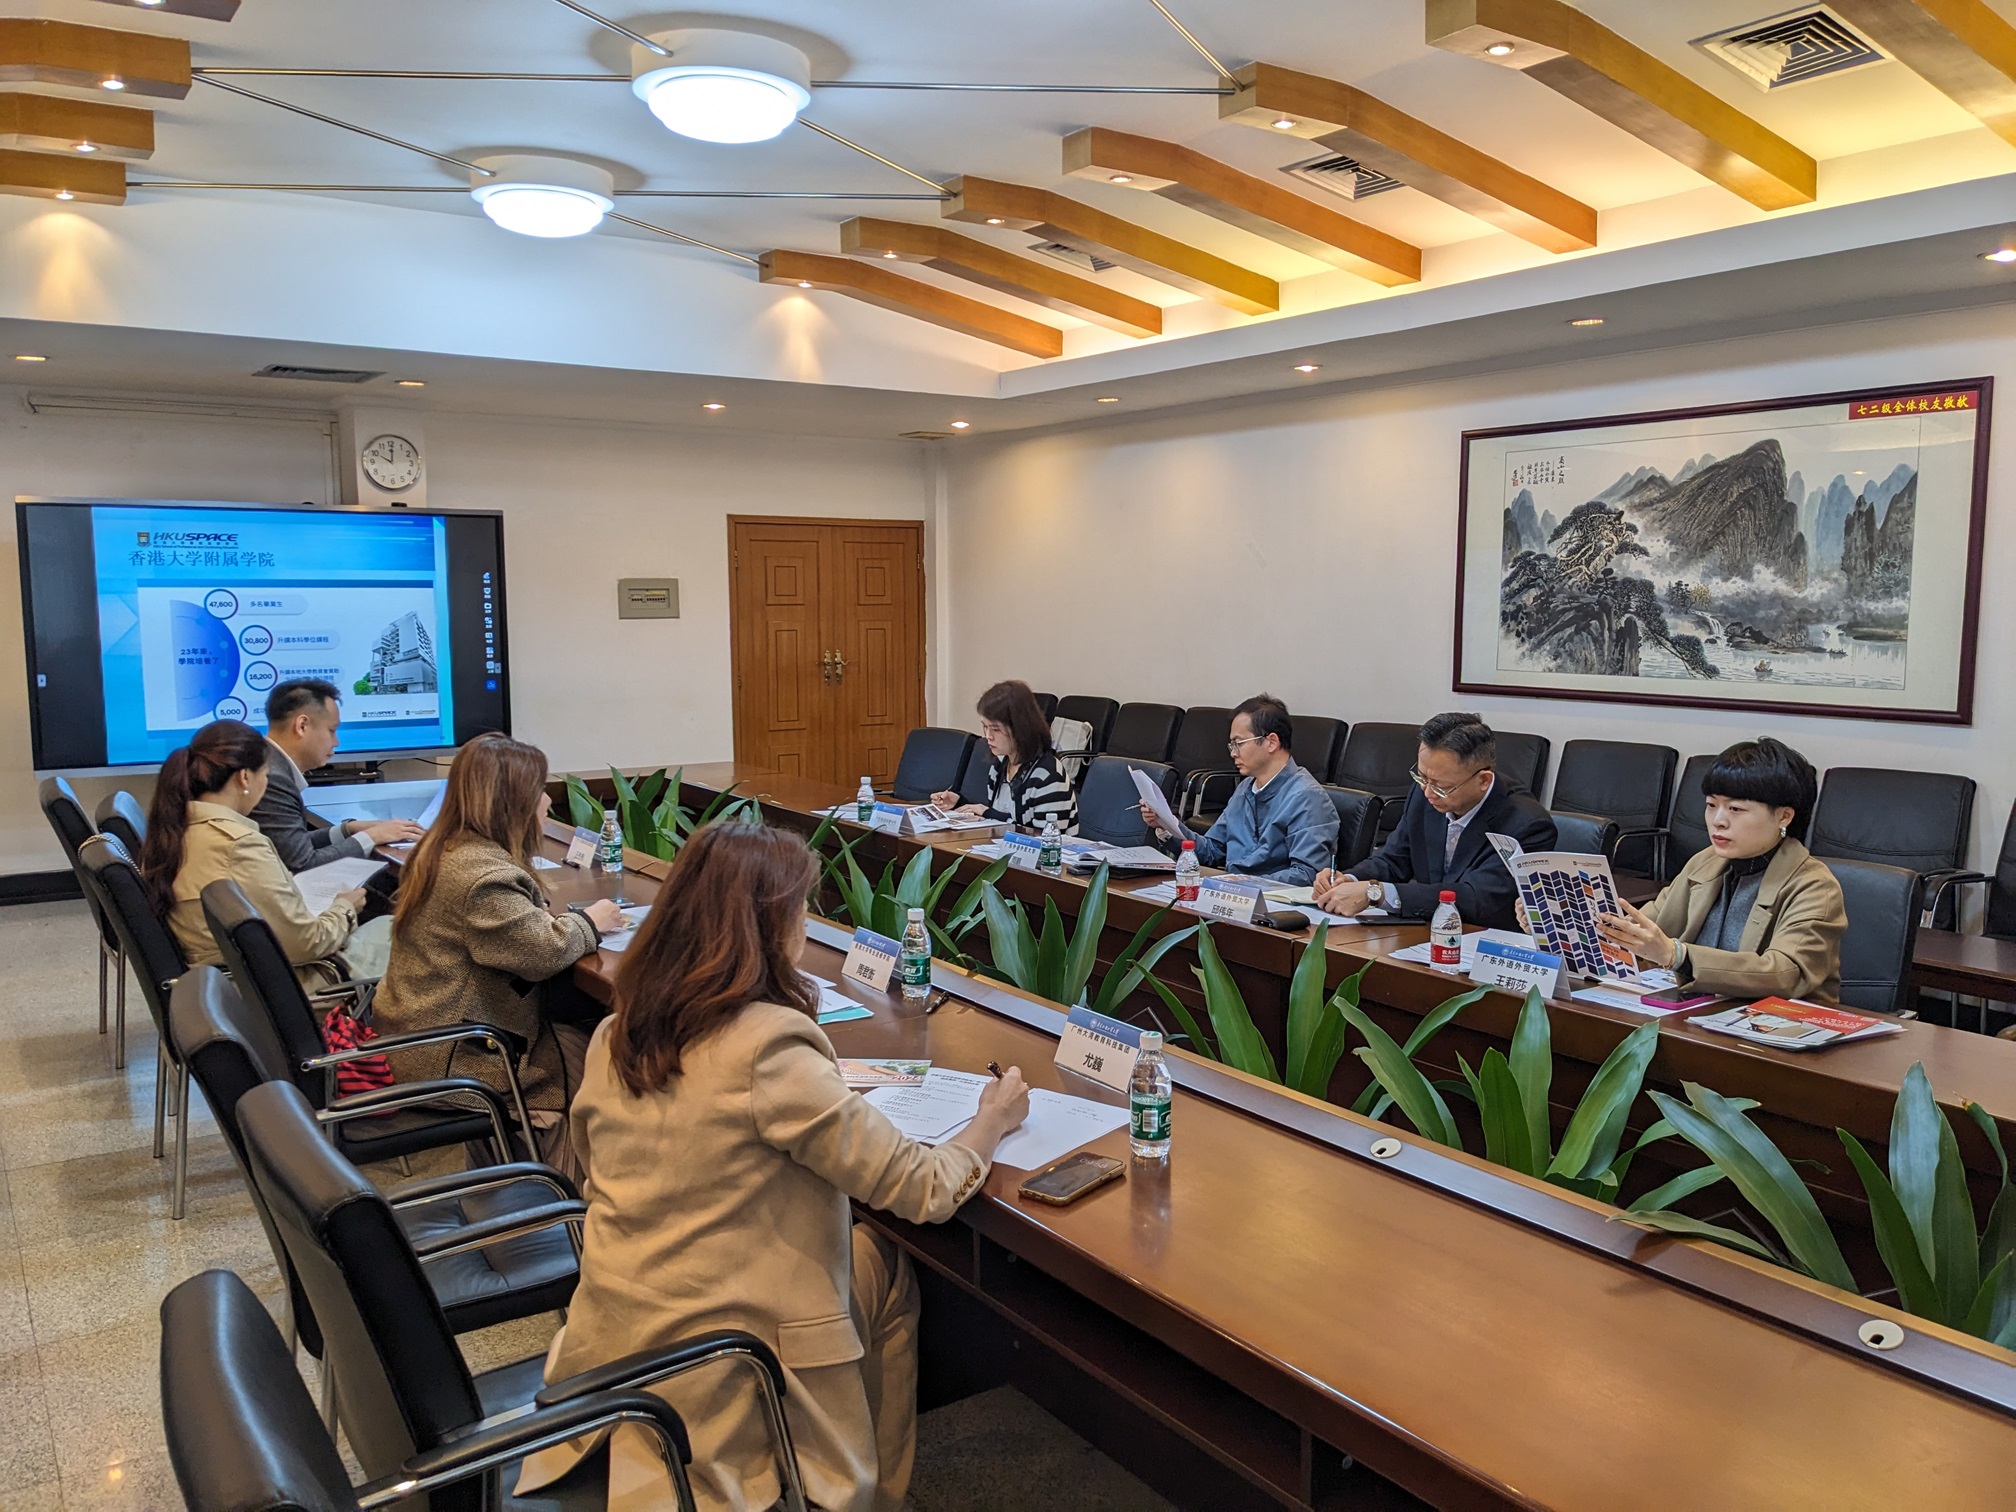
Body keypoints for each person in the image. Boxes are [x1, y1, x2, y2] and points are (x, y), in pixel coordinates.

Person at [518, 822, 1030, 1512]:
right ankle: (863, 1493)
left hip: (613, 1338)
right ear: (769, 926)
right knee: (886, 1261)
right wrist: (994, 1117)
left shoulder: (617, 1031)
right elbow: (925, 1189)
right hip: (726, 1365)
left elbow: (598, 1165)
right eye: (800, 910)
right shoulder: (768, 1045)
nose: (806, 925)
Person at [371, 733, 625, 1171]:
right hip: (459, 1055)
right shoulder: (483, 876)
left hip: (424, 1031)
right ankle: (566, 1190)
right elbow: (542, 953)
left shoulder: (446, 849)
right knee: (604, 1062)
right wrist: (591, 921)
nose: (548, 801)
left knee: (585, 1031)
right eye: (539, 790)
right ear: (512, 802)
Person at [1596, 738, 1846, 1002]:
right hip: (1700, 1010)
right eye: (1711, 805)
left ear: (1784, 816)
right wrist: (1609, 929)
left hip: (1775, 1019)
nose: (1718, 821)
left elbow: (1785, 973)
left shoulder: (1814, 885)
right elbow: (1651, 925)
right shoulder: (1705, 861)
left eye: (1735, 809)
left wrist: (1677, 955)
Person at [139, 719, 362, 993]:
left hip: (215, 987)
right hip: (279, 989)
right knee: (396, 935)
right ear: (245, 777)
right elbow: (306, 943)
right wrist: (345, 908)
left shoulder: (172, 831)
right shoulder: (238, 845)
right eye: (265, 774)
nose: (266, 783)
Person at [1314, 712, 1555, 930]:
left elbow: (1477, 899)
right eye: (1422, 777)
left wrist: (1375, 893)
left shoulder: (1527, 824)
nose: (1428, 792)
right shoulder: (1424, 793)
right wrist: (1349, 880)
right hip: (1427, 932)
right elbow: (1394, 859)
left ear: (1483, 780)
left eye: (1442, 786)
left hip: (1482, 938)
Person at [1139, 694, 1337, 885]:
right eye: (1231, 745)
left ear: (1271, 742)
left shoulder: (1308, 797)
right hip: (1234, 892)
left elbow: (1307, 875)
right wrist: (1166, 825)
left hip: (1270, 901)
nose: (1233, 753)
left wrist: (1243, 883)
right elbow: (1212, 849)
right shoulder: (1245, 788)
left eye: (1239, 743)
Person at [249, 678, 424, 873]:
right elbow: (303, 864)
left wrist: (347, 830)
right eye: (331, 730)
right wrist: (373, 837)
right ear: (302, 726)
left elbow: (291, 845)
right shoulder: (272, 779)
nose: (336, 742)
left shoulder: (267, 762)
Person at [929, 679, 1075, 831]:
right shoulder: (999, 764)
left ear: (1020, 728)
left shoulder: (1048, 774)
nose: (988, 736)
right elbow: (1002, 818)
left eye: (996, 729)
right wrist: (959, 803)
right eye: (985, 727)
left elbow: (1047, 837)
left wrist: (987, 812)